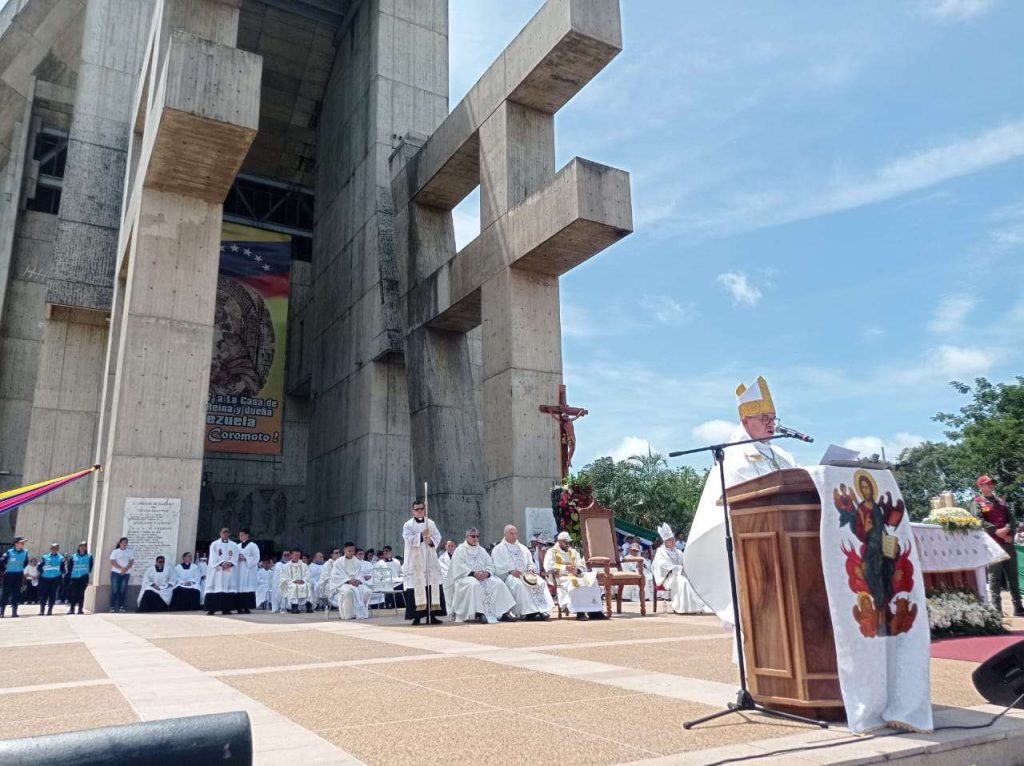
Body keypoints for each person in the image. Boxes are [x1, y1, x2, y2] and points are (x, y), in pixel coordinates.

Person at [684, 376, 797, 623]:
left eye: (773, 418)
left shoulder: (784, 454)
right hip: (757, 544)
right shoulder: (733, 456)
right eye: (764, 419)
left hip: (791, 542)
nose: (771, 424)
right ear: (745, 421)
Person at [972, 475, 1024, 617]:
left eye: (992, 483)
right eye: (987, 484)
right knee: (994, 578)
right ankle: (997, 609)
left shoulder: (1001, 501)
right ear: (980, 487)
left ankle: (1018, 607)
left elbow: (1012, 520)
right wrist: (996, 531)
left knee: (1013, 576)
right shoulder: (978, 502)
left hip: (1007, 543)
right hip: (991, 544)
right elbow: (978, 520)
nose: (990, 486)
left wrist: (1008, 533)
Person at [445, 528, 518, 623]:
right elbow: (459, 567)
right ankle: (479, 613)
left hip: (483, 577)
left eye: (477, 536)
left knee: (498, 583)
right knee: (474, 584)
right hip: (466, 578)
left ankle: (504, 612)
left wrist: (487, 573)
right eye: (473, 536)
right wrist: (473, 573)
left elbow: (490, 565)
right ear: (467, 537)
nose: (475, 538)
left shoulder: (481, 550)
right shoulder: (460, 550)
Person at [491, 524, 553, 620]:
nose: (514, 536)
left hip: (526, 574)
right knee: (520, 585)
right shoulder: (498, 549)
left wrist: (531, 569)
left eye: (515, 533)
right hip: (510, 576)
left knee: (540, 582)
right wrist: (511, 571)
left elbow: (530, 562)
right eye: (511, 533)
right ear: (505, 534)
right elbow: (497, 566)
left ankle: (541, 609)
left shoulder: (523, 548)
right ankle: (529, 613)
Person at [401, 499, 446, 625]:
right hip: (415, 560)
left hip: (429, 558)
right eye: (417, 509)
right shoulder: (408, 525)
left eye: (421, 509)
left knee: (431, 586)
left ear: (424, 509)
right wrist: (421, 536)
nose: (419, 511)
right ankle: (416, 617)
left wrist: (430, 541)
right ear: (413, 511)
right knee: (416, 587)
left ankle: (432, 615)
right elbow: (408, 539)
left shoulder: (430, 523)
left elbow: (438, 537)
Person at [544, 531, 606, 620]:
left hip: (575, 574)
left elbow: (581, 564)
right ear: (560, 541)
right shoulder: (552, 552)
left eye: (569, 542)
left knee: (593, 581)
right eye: (566, 542)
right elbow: (548, 566)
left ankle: (595, 611)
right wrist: (565, 568)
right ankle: (580, 612)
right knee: (575, 583)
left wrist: (577, 570)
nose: (568, 544)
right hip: (562, 577)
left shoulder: (573, 551)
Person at [653, 524, 710, 614]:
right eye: (671, 540)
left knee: (694, 579)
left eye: (673, 540)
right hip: (667, 577)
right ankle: (681, 608)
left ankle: (694, 606)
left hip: (680, 573)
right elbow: (662, 564)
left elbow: (685, 562)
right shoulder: (660, 552)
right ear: (665, 542)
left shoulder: (678, 552)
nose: (673, 542)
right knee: (683, 582)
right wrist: (678, 568)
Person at [328, 543, 371, 619]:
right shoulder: (338, 562)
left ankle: (362, 613)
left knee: (367, 592)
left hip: (356, 583)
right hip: (343, 583)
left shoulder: (357, 562)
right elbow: (335, 576)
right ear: (344, 550)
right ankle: (348, 615)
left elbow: (361, 574)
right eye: (349, 551)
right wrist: (348, 580)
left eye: (353, 551)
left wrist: (359, 580)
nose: (351, 553)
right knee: (349, 592)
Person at [205, 527, 239, 615]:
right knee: (216, 588)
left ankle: (226, 609)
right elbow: (213, 556)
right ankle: (212, 609)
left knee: (227, 589)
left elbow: (235, 556)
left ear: (229, 534)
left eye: (227, 532)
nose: (226, 534)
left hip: (229, 570)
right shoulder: (214, 544)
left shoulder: (234, 545)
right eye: (224, 532)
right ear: (220, 533)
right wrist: (222, 563)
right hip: (217, 571)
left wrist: (230, 563)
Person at [0, 536, 29, 618]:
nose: (23, 544)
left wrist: (20, 569)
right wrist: (3, 571)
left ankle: (14, 612)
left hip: (18, 574)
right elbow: (2, 562)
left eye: (23, 542)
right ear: (16, 543)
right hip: (8, 574)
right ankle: (2, 612)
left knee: (16, 593)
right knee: (5, 593)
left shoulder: (25, 552)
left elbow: (25, 563)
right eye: (21, 542)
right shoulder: (9, 552)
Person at [280, 549, 313, 613]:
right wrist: (294, 581)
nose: (297, 557)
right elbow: (283, 577)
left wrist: (303, 580)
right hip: (291, 583)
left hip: (302, 582)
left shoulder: (304, 565)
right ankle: (294, 607)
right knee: (294, 587)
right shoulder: (286, 566)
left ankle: (308, 606)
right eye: (295, 555)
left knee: (308, 586)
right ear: (291, 555)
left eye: (298, 555)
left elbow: (308, 575)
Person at [235, 528, 259, 615]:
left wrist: (246, 558)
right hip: (239, 570)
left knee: (247, 587)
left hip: (248, 570)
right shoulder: (237, 546)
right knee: (239, 588)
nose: (240, 536)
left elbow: (256, 557)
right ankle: (239, 607)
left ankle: (246, 607)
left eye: (242, 535)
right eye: (239, 535)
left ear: (247, 535)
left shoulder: (253, 546)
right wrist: (237, 558)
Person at [38, 543, 65, 616]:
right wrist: (42, 573)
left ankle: (50, 610)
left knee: (52, 595)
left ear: (58, 550)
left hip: (55, 578)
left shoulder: (61, 558)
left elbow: (63, 569)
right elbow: (39, 567)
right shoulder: (45, 557)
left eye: (55, 548)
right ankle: (42, 610)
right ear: (50, 549)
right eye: (52, 548)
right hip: (45, 578)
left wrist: (60, 574)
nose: (54, 550)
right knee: (43, 595)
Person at [67, 541, 94, 615]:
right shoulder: (74, 556)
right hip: (74, 577)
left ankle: (80, 609)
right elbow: (69, 566)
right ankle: (71, 609)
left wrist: (86, 573)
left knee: (81, 593)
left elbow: (90, 566)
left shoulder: (89, 556)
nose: (82, 547)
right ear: (79, 547)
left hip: (84, 577)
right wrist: (71, 574)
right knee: (73, 593)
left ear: (86, 547)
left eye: (84, 546)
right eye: (81, 546)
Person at [109, 537, 134, 613]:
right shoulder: (115, 551)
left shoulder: (130, 552)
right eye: (123, 542)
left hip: (126, 574)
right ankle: (112, 607)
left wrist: (126, 569)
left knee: (122, 590)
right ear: (120, 543)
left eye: (126, 542)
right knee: (115, 590)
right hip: (116, 573)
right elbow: (112, 561)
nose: (124, 544)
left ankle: (121, 607)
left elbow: (131, 561)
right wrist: (121, 568)